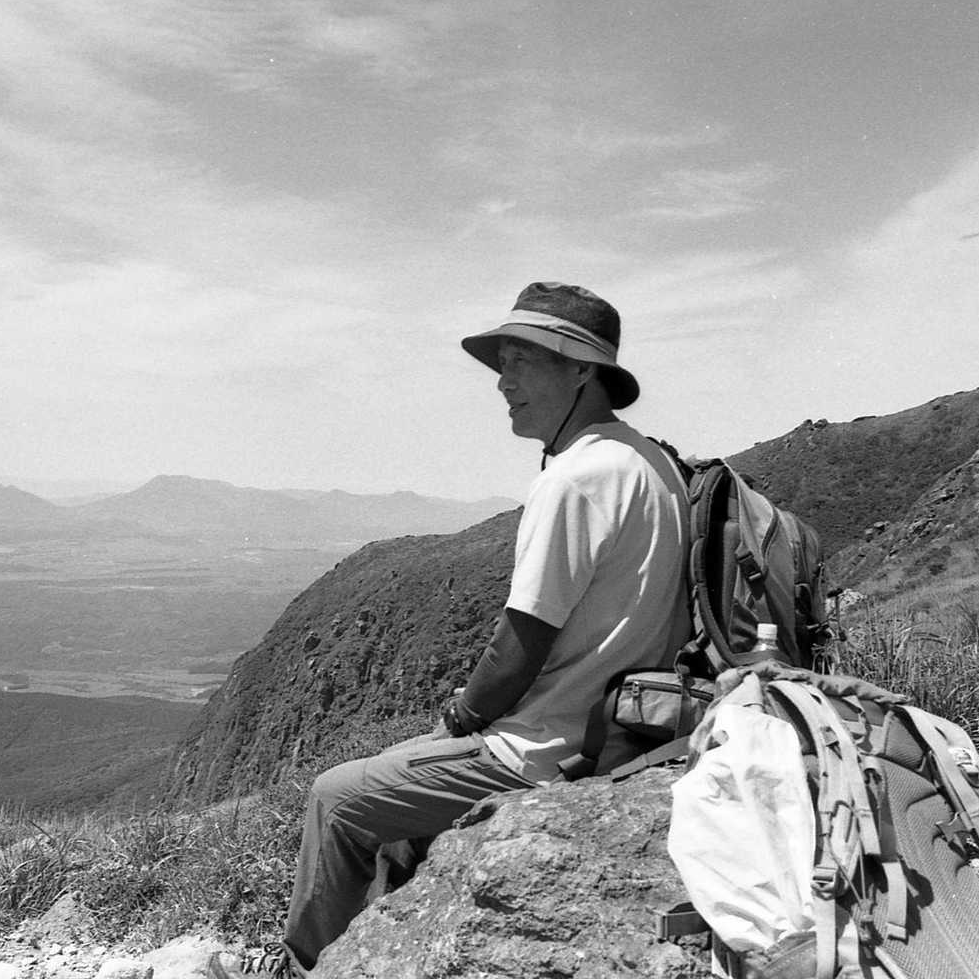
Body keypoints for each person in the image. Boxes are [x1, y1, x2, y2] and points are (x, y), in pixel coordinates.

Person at [211, 282, 692, 978]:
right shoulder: (649, 462)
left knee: (336, 800)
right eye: (501, 362)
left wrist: (461, 717)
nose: (502, 382)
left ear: (582, 371)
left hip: (546, 749)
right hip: (621, 733)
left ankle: (300, 968)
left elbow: (520, 642)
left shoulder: (576, 478)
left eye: (523, 360)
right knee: (394, 808)